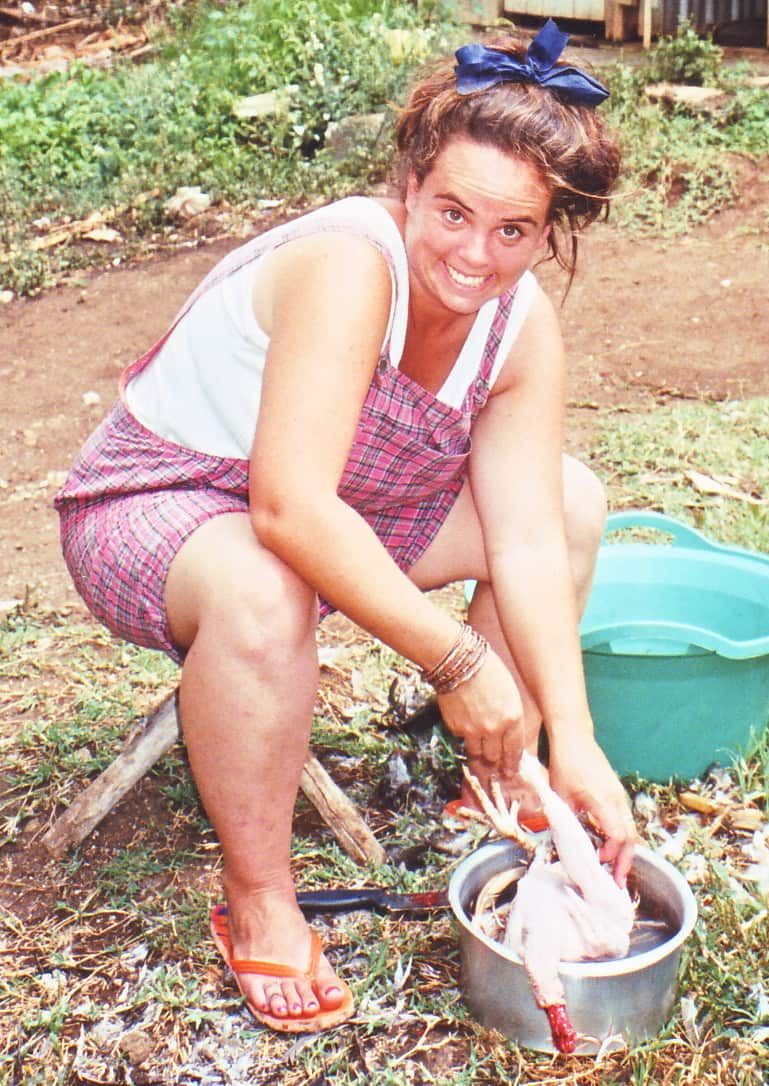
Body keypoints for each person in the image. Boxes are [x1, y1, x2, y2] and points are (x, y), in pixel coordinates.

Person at [54, 19, 637, 1035]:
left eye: (511, 231)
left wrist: (573, 736)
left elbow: (530, 537)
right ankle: (260, 896)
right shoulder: (348, 262)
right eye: (452, 212)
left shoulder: (518, 322)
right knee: (261, 583)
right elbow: (286, 506)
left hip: (346, 507)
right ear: (408, 183)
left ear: (549, 232)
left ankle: (494, 777)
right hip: (163, 506)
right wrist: (462, 665)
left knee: (571, 498)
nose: (472, 254)